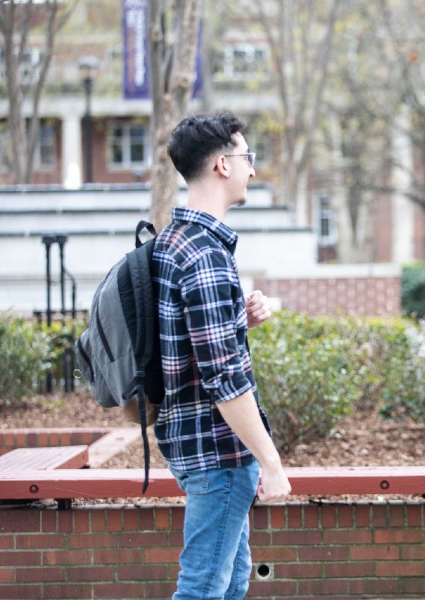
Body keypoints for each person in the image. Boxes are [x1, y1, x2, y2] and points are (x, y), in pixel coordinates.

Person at [153, 111, 292, 599]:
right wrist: (271, 462)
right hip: (219, 450)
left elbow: (180, 342)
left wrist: (238, 319)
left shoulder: (171, 241)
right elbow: (225, 378)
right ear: (221, 166)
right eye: (247, 157)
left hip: (188, 441)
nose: (252, 169)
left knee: (230, 581)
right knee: (203, 586)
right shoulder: (206, 254)